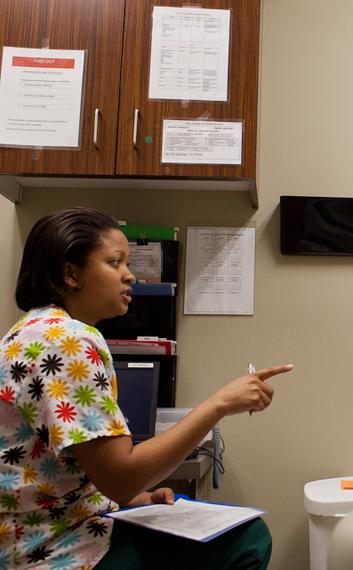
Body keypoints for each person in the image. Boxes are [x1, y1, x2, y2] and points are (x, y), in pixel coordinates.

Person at [0, 207, 294, 569]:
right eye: (115, 262)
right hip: (58, 550)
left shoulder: (29, 330)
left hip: (29, 537)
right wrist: (218, 405)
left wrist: (135, 501)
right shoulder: (70, 340)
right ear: (70, 273)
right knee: (247, 538)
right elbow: (122, 477)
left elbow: (86, 473)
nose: (131, 276)